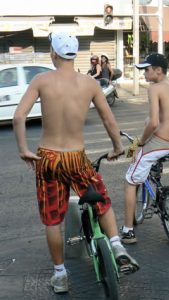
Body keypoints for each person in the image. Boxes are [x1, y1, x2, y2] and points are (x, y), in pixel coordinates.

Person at [13, 32, 139, 294]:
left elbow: (19, 116)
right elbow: (108, 119)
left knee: (52, 220)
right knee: (101, 201)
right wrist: (117, 146)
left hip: (48, 157)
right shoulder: (89, 84)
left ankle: (60, 276)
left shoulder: (41, 80)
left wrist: (24, 149)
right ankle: (116, 244)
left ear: (54, 54)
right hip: (76, 157)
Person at [121, 53, 169, 244]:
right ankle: (151, 173)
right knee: (142, 132)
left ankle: (128, 231)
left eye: (146, 69)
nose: (144, 74)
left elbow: (153, 124)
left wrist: (138, 143)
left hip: (159, 142)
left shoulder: (155, 88)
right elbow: (155, 120)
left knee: (129, 181)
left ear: (158, 70)